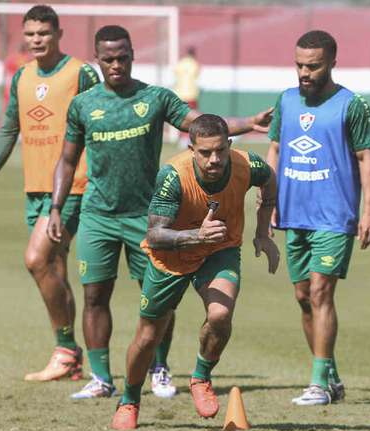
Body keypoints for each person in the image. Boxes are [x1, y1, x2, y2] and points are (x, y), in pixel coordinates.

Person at [47, 25, 272, 400]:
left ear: (133, 54)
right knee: (94, 296)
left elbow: (200, 129)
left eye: (122, 57)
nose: (116, 64)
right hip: (97, 214)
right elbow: (67, 160)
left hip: (148, 215)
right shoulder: (83, 104)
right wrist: (56, 207)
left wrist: (247, 124)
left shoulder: (154, 98)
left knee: (158, 300)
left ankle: (160, 368)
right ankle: (101, 377)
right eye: (108, 59)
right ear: (97, 59)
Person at [110, 114, 279, 430]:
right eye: (205, 153)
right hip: (171, 258)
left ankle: (201, 377)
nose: (214, 159)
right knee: (147, 337)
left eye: (220, 151)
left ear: (229, 145)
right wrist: (195, 236)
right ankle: (129, 400)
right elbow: (155, 235)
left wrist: (262, 231)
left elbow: (269, 180)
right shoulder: (173, 176)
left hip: (219, 250)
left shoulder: (247, 165)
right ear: (191, 149)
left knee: (220, 315)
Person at [0, 4, 99, 382]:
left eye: (44, 33)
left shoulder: (81, 74)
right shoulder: (22, 77)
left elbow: (102, 122)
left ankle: (66, 350)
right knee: (55, 269)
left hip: (73, 185)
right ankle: (70, 357)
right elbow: (8, 130)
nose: (37, 40)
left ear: (59, 34)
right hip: (35, 186)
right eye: (31, 34)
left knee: (35, 259)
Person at [266, 30, 370, 406]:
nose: (304, 72)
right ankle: (330, 374)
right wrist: (268, 202)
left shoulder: (352, 105)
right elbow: (276, 149)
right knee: (302, 297)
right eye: (299, 64)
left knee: (320, 292)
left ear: (332, 62)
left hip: (334, 215)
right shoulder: (285, 100)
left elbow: (366, 159)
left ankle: (316, 384)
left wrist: (369, 212)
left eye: (312, 66)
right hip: (293, 213)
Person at [173, 46, 200, 148]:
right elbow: (196, 75)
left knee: (181, 117)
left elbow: (175, 74)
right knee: (193, 118)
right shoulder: (194, 64)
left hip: (179, 94)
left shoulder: (180, 63)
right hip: (191, 94)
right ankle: (188, 138)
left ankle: (182, 139)